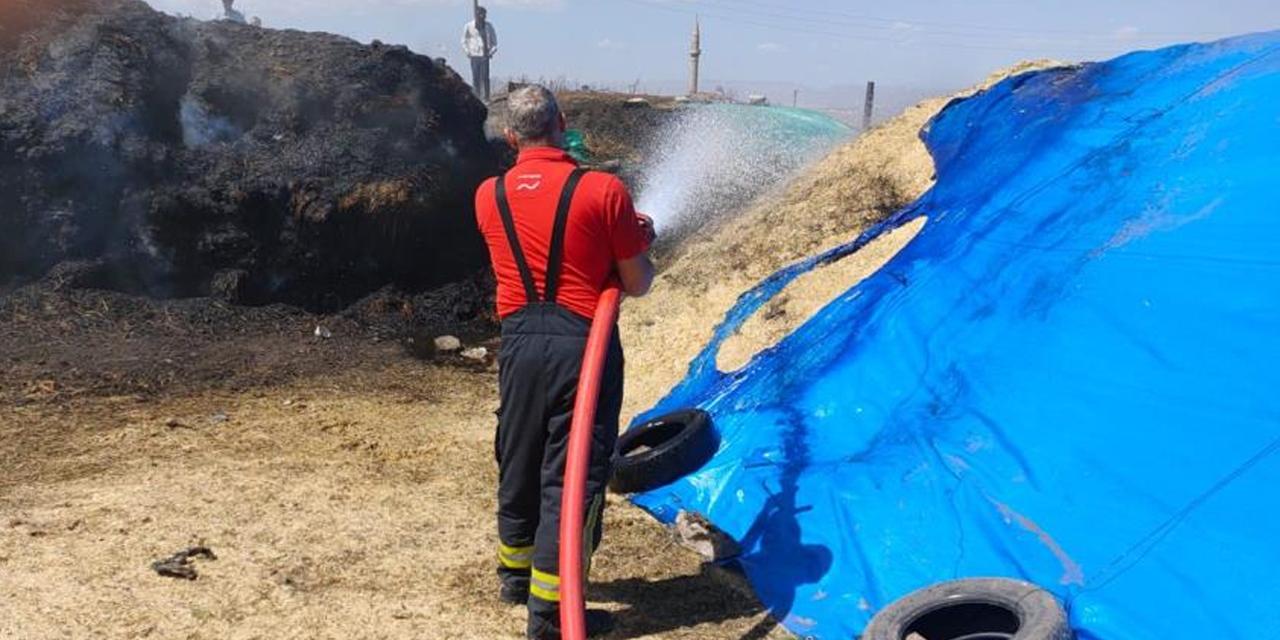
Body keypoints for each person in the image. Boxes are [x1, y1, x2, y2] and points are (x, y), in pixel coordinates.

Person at [474, 84, 655, 640]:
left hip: (520, 342)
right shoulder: (603, 190)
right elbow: (637, 281)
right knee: (571, 476)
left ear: (510, 136)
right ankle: (550, 616)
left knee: (520, 455)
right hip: (585, 345)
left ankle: (514, 575)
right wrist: (637, 238)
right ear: (563, 122)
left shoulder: (488, 194)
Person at [461, 6, 498, 101]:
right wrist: (467, 52)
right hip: (474, 55)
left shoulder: (489, 26)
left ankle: (486, 98)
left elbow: (494, 42)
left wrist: (491, 52)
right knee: (475, 78)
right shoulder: (469, 26)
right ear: (477, 15)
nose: (483, 16)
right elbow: (463, 40)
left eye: (484, 14)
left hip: (485, 55)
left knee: (485, 77)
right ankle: (477, 97)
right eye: (481, 14)